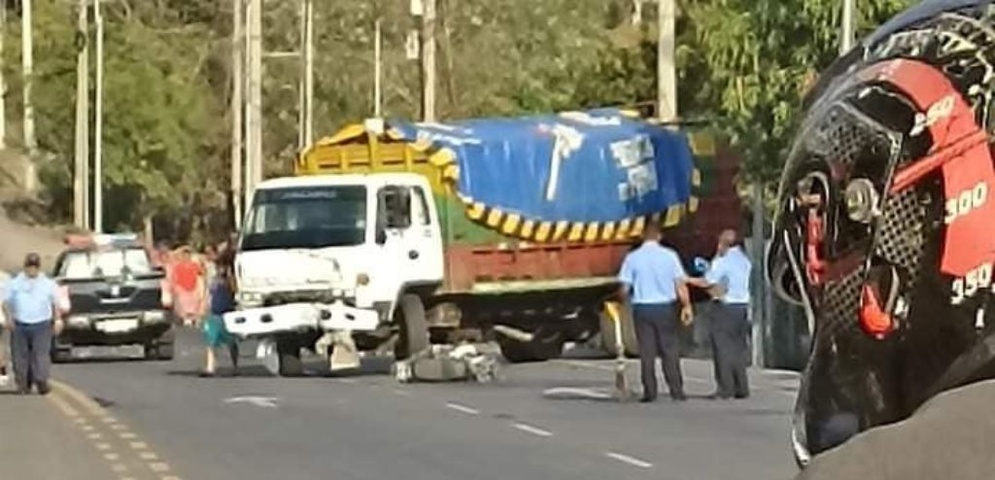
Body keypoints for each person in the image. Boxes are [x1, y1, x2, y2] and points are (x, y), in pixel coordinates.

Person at [617, 222, 693, 402]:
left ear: (643, 237)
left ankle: (650, 391)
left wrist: (619, 300)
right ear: (659, 237)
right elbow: (680, 284)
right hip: (665, 307)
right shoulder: (670, 256)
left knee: (647, 351)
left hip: (643, 308)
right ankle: (676, 389)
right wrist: (686, 305)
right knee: (670, 349)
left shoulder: (633, 258)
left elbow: (625, 287)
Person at [687, 229, 753, 399]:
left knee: (722, 349)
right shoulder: (744, 260)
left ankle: (725, 388)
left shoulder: (722, 260)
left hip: (725, 306)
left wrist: (685, 279)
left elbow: (707, 281)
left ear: (724, 244)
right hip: (742, 306)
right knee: (738, 348)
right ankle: (741, 387)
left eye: (720, 242)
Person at [2, 253, 64, 395]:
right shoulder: (15, 282)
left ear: (38, 267)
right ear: (25, 266)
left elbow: (55, 303)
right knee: (20, 357)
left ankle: (41, 381)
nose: (32, 269)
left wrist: (58, 320)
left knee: (40, 355)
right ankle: (23, 384)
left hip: (42, 324)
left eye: (34, 266)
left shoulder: (48, 284)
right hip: (20, 324)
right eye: (29, 266)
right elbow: (5, 301)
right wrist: (9, 318)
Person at [200, 245, 239, 377]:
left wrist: (228, 277)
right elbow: (207, 290)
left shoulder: (231, 276)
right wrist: (204, 305)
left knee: (231, 341)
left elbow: (235, 290)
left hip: (228, 311)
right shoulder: (212, 276)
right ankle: (210, 367)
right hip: (214, 311)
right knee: (210, 340)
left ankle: (234, 365)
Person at [171, 246, 206, 327]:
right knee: (185, 310)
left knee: (193, 309)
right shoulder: (178, 266)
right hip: (183, 291)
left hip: (193, 290)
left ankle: (193, 323)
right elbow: (175, 279)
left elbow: (202, 273)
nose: (186, 257)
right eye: (184, 255)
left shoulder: (194, 265)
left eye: (188, 255)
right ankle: (187, 324)